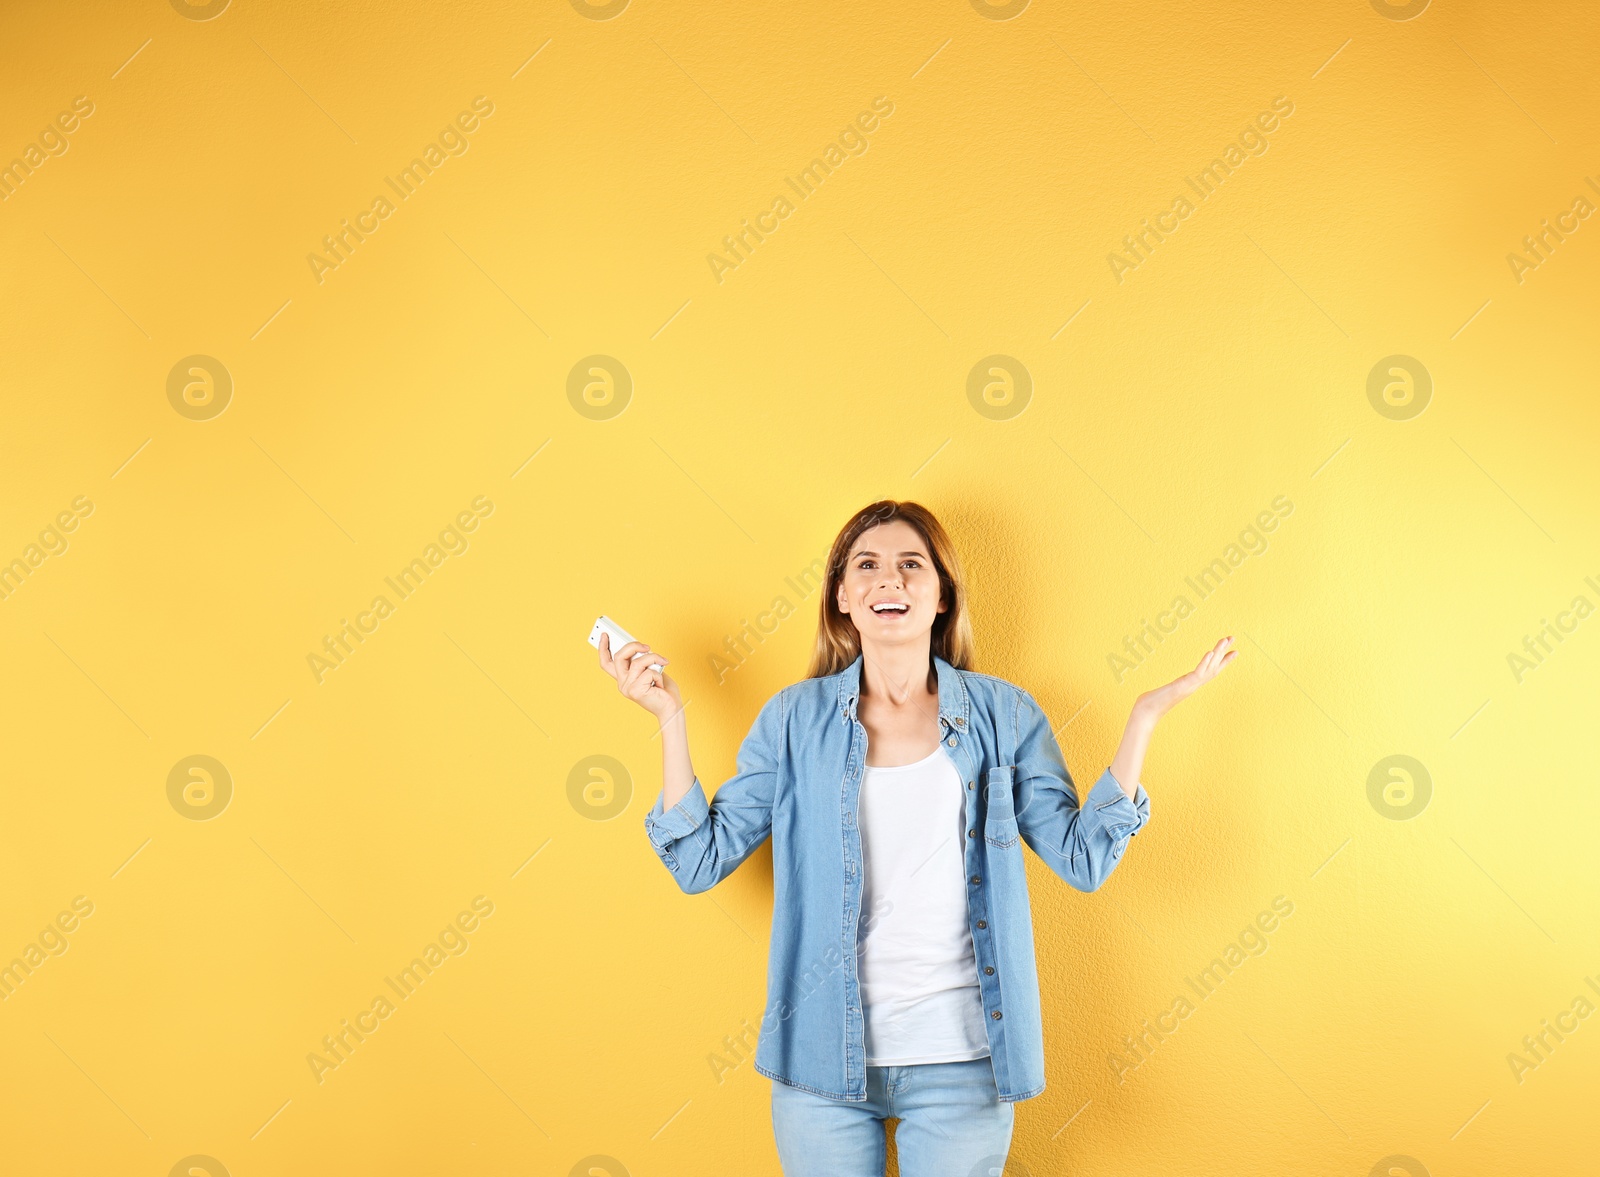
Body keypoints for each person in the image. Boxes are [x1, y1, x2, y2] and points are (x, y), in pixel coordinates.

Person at [597, 500, 1235, 1177]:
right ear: (842, 595)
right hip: (817, 1064)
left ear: (941, 594)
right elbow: (698, 859)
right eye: (866, 565)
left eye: (911, 565)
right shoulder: (792, 719)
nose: (888, 580)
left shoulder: (1004, 713)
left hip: (965, 1063)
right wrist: (668, 717)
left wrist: (1144, 717)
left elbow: (1082, 858)